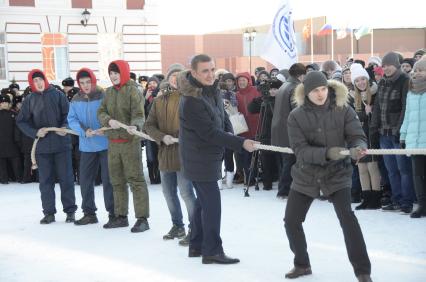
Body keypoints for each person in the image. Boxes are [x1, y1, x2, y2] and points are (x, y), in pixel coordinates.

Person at [284, 71, 372, 282]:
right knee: (291, 220)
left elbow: (357, 136)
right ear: (306, 92)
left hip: (337, 174)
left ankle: (362, 271)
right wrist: (327, 153)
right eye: (315, 90)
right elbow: (300, 150)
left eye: (323, 89)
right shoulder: (295, 116)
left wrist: (358, 148)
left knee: (347, 219)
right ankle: (302, 264)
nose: (320, 94)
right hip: (307, 174)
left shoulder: (343, 109)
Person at [178, 54, 257, 264]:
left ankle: (196, 245)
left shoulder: (212, 91)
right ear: (194, 73)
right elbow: (209, 133)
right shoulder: (191, 100)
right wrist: (240, 143)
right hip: (198, 158)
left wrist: (235, 139)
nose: (210, 74)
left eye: (212, 69)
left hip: (210, 156)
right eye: (205, 71)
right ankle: (212, 250)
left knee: (204, 205)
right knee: (212, 204)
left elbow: (223, 121)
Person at [144, 63, 196, 245]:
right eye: (172, 75)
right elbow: (148, 126)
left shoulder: (190, 98)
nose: (175, 78)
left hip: (184, 153)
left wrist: (183, 137)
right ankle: (177, 225)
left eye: (178, 75)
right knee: (168, 192)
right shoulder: (159, 101)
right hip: (165, 153)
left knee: (186, 192)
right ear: (168, 78)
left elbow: (198, 123)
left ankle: (195, 228)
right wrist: (161, 136)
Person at [16, 69, 76, 224]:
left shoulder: (58, 95)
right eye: (34, 81)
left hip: (62, 145)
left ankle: (70, 211)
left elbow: (69, 114)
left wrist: (64, 126)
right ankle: (49, 213)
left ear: (45, 79)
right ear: (31, 84)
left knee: (67, 180)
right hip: (42, 148)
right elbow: (21, 121)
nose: (38, 83)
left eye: (40, 79)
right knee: (45, 182)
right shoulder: (29, 100)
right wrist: (35, 132)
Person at [97, 60, 150, 233]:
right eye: (111, 74)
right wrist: (108, 120)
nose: (113, 77)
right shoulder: (109, 92)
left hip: (129, 143)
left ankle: (142, 218)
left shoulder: (133, 91)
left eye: (116, 73)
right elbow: (101, 112)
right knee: (117, 181)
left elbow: (139, 114)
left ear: (124, 73)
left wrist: (135, 125)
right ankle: (121, 216)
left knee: (135, 180)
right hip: (113, 144)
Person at [67, 68, 115, 225]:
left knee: (109, 181)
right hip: (86, 146)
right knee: (85, 181)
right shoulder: (75, 99)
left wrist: (106, 130)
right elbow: (71, 119)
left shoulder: (104, 95)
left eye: (88, 82)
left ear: (93, 81)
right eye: (82, 83)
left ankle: (113, 213)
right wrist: (82, 131)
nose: (85, 86)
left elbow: (112, 116)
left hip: (106, 145)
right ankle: (89, 213)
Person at [370, 51, 415, 214]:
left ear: (396, 65)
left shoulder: (405, 80)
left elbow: (405, 107)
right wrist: (374, 129)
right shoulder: (382, 82)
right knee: (391, 170)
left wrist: (399, 130)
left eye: (389, 65)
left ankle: (406, 202)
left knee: (404, 170)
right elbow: (377, 109)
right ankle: (396, 199)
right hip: (383, 134)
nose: (386, 68)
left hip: (397, 134)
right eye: (384, 65)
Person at [271, 63, 306, 198]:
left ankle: (285, 189)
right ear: (301, 75)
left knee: (286, 161)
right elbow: (297, 111)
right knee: (291, 162)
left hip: (279, 128)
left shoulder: (284, 86)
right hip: (289, 131)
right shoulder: (296, 87)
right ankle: (285, 191)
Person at [350, 63, 382, 209]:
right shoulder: (353, 97)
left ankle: (375, 197)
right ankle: (366, 197)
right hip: (359, 136)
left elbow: (374, 116)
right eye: (357, 81)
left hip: (372, 134)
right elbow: (353, 117)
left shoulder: (375, 93)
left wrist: (368, 112)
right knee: (361, 167)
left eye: (362, 79)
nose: (360, 83)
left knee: (372, 166)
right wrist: (364, 114)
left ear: (367, 79)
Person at [400, 60, 426, 218]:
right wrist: (403, 135)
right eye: (416, 70)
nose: (417, 73)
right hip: (414, 141)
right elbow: (407, 116)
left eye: (422, 70)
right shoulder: (411, 92)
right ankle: (422, 205)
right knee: (417, 175)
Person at [248, 79, 283, 190]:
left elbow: (275, 115)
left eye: (275, 89)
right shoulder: (264, 100)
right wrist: (261, 97)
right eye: (270, 89)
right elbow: (251, 109)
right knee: (265, 160)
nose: (272, 91)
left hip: (278, 134)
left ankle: (282, 183)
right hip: (265, 133)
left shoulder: (281, 101)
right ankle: (267, 183)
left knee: (279, 160)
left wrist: (269, 101)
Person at [235, 72, 261, 185]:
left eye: (243, 80)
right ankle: (249, 178)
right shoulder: (235, 95)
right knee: (245, 156)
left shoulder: (256, 91)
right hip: (242, 129)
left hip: (256, 127)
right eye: (239, 80)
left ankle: (256, 175)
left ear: (248, 80)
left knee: (255, 155)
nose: (241, 82)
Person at [220, 72, 238, 188]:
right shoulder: (214, 98)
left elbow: (235, 112)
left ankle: (226, 181)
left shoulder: (231, 96)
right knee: (223, 156)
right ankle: (224, 181)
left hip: (226, 128)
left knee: (225, 155)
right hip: (224, 129)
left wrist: (228, 107)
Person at [0, 95, 22, 184]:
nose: (4, 104)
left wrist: (17, 140)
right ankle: (3, 179)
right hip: (2, 143)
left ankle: (19, 177)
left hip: (12, 142)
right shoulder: (13, 114)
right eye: (2, 102)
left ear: (9, 104)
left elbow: (17, 129)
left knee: (16, 162)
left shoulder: (14, 114)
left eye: (6, 102)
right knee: (1, 164)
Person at [144, 76, 162, 184]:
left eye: (154, 83)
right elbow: (141, 111)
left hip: (159, 130)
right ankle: (152, 177)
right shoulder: (144, 95)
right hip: (148, 131)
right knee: (150, 156)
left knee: (159, 154)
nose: (152, 85)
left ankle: (159, 177)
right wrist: (145, 99)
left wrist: (155, 99)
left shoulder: (161, 95)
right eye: (149, 83)